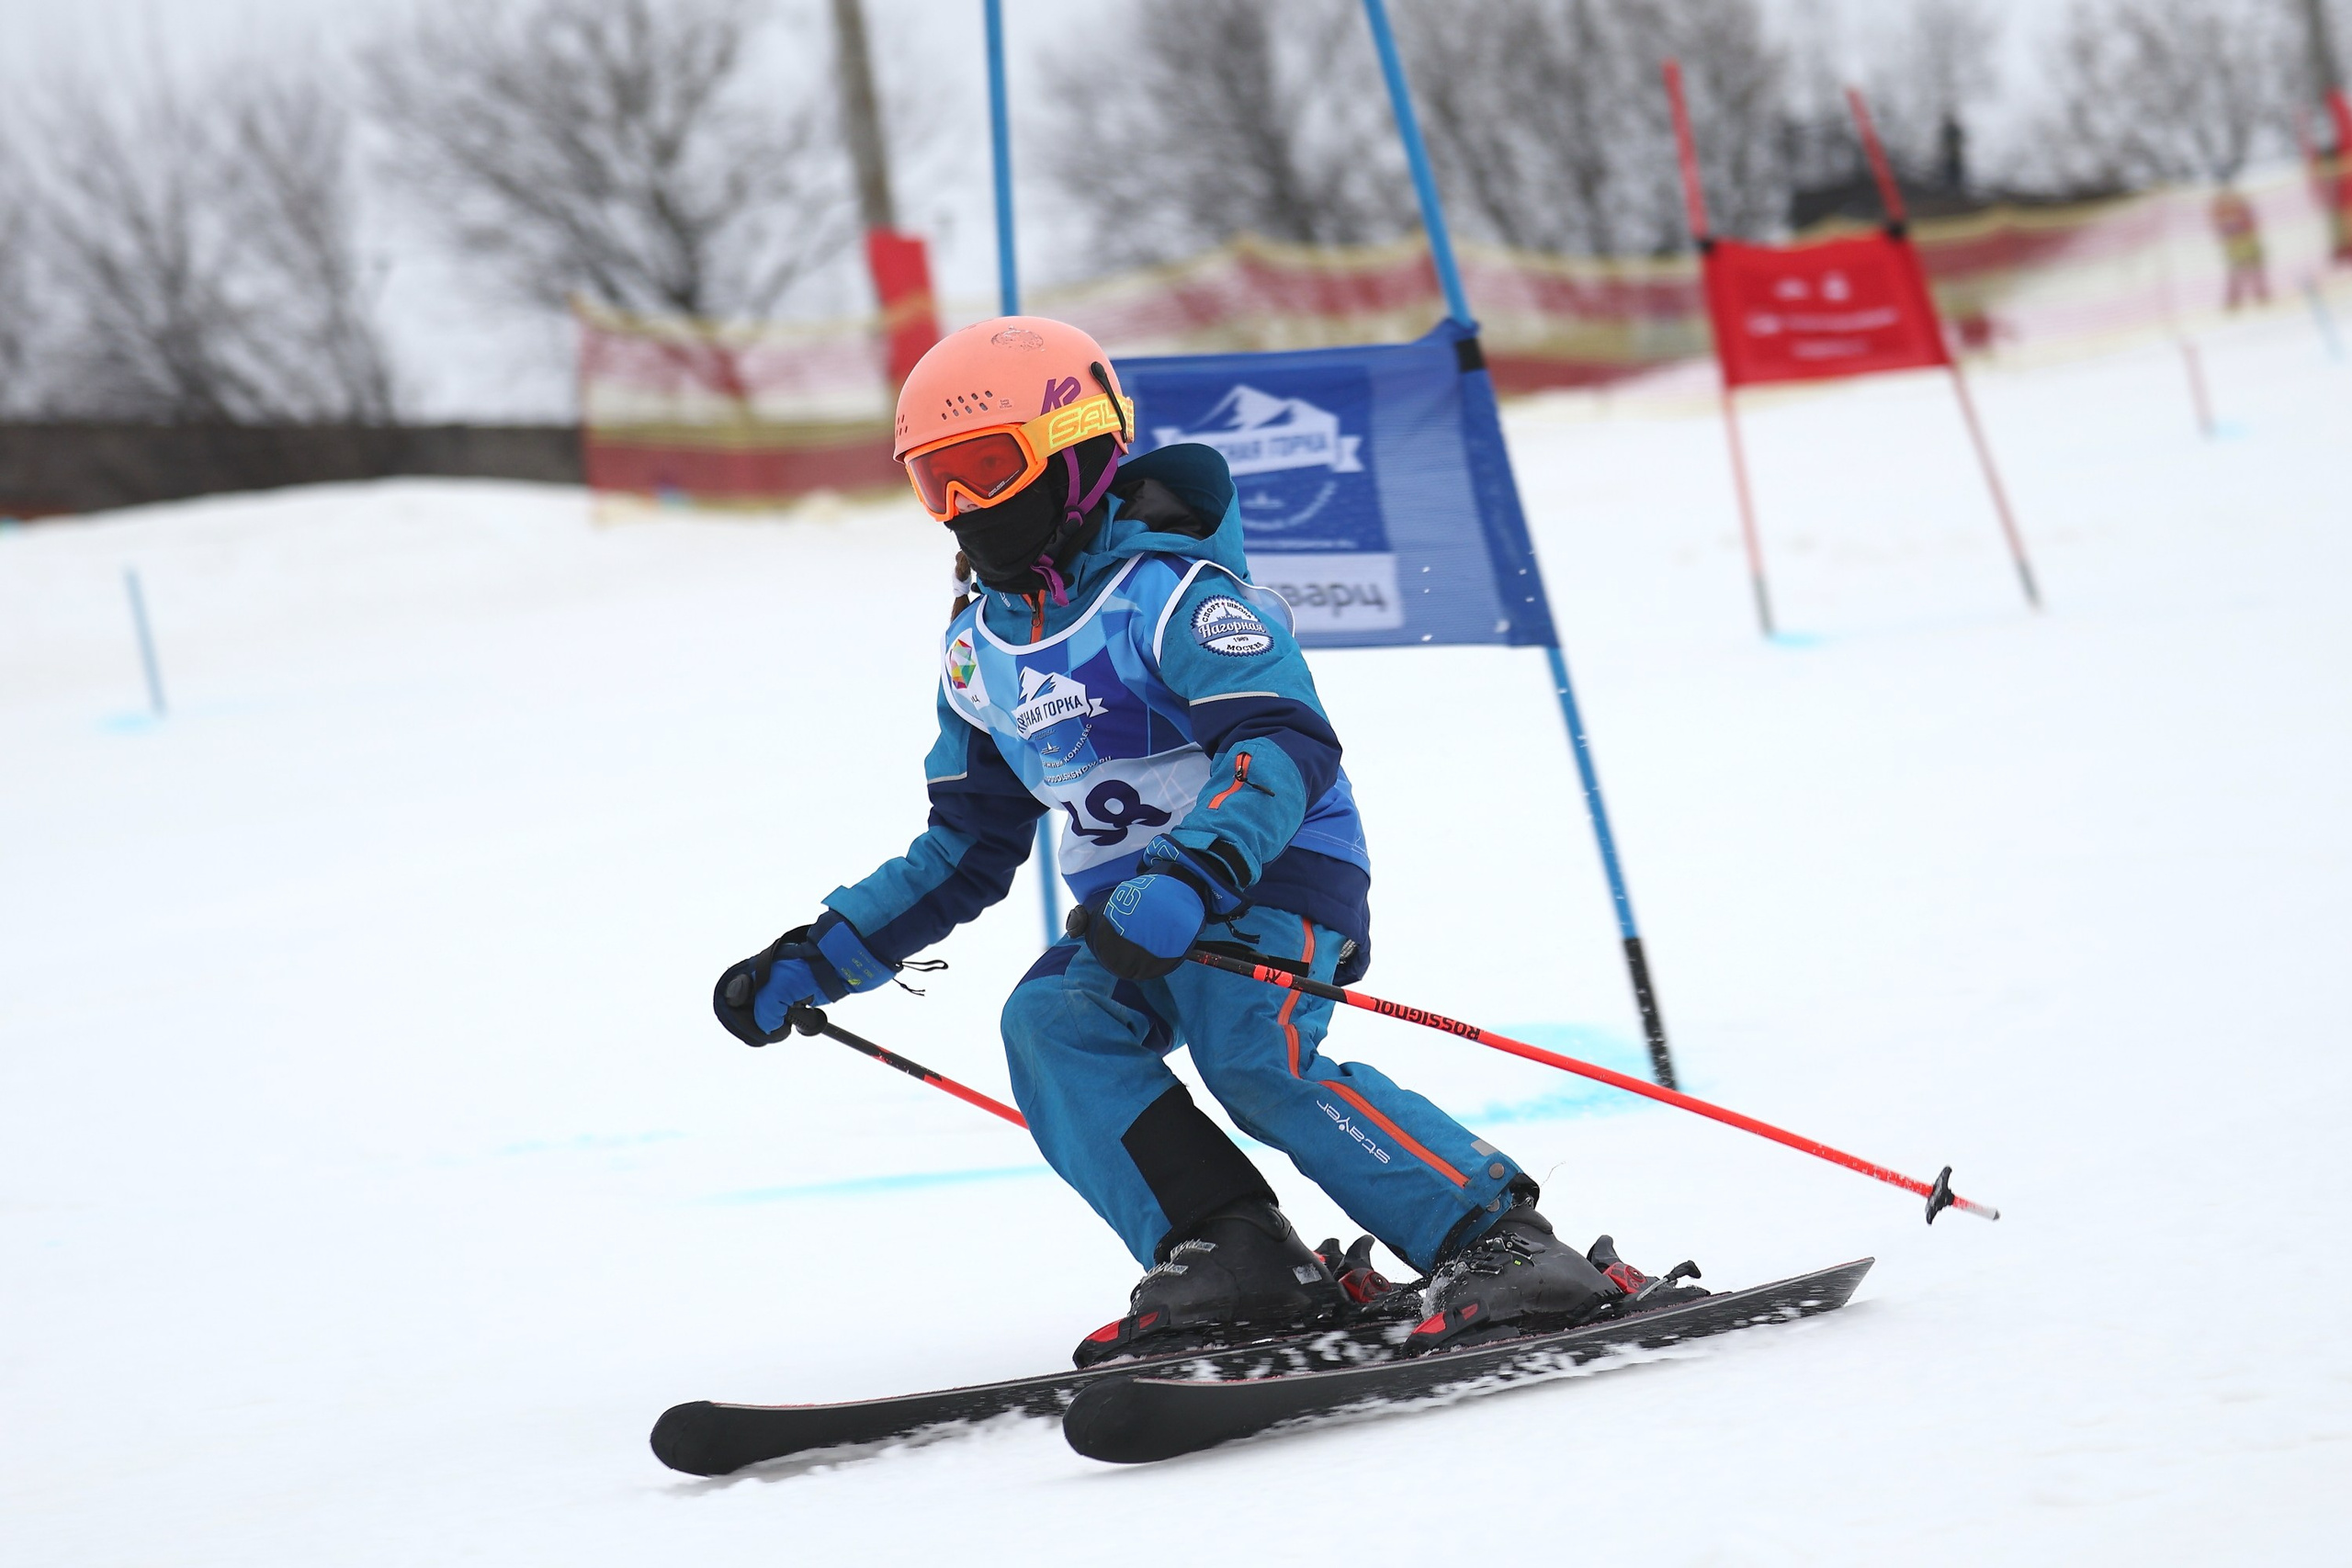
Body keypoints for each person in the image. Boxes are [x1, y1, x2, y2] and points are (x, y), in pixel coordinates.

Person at [712, 316, 1702, 1364]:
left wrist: (1197, 869)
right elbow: (965, 844)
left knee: (1251, 1052)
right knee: (1051, 1022)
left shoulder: (1178, 598)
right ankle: (1234, 1254)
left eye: (988, 470)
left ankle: (1495, 1241)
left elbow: (1283, 744)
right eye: (935, 482)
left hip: (1270, 872)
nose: (965, 510)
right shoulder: (977, 650)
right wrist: (824, 951)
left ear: (1079, 452)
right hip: (1134, 910)